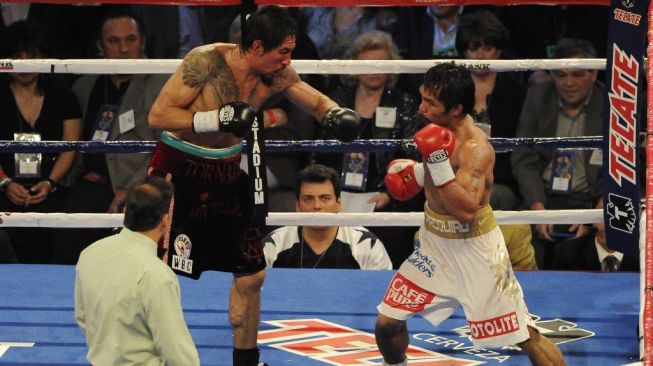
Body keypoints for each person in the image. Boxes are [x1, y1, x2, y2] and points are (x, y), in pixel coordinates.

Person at [146, 6, 361, 366]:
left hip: (228, 171)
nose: (288, 60)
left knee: (252, 273)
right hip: (180, 169)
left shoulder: (277, 73)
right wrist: (214, 118)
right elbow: (158, 116)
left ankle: (245, 360)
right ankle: (146, 354)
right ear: (257, 46)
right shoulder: (206, 61)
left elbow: (313, 99)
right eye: (283, 52)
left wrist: (335, 114)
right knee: (157, 268)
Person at [375, 63, 565, 365]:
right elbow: (438, 181)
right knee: (387, 323)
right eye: (422, 98)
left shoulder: (476, 149)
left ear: (456, 108)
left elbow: (464, 209)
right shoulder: (437, 131)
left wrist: (434, 163)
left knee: (523, 334)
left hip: (476, 251)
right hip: (435, 247)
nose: (421, 107)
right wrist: (415, 172)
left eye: (431, 103)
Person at [54, 9, 169, 264]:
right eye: (114, 41)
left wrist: (134, 188)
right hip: (90, 183)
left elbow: (168, 147)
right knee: (63, 226)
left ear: (143, 42)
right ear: (100, 45)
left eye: (131, 39)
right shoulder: (85, 85)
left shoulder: (162, 82)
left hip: (140, 185)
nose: (124, 49)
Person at [75, 175, 200, 366]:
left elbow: (83, 317)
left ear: (126, 212)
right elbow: (176, 351)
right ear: (166, 221)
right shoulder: (156, 275)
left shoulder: (89, 254)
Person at [511, 38, 603, 269]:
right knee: (526, 249)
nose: (569, 83)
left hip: (589, 200)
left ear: (594, 74)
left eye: (578, 74)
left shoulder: (610, 103)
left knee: (585, 253)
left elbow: (618, 164)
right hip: (544, 197)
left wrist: (597, 213)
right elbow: (523, 158)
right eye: (560, 75)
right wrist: (537, 207)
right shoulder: (537, 97)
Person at [0, 20, 82, 263]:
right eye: (18, 56)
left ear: (43, 57)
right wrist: (4, 182)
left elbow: (70, 145)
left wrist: (50, 182)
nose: (25, 63)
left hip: (51, 186)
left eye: (32, 56)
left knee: (64, 227)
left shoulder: (62, 94)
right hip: (4, 185)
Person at [455, 10, 526, 211]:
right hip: (457, 173)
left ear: (499, 50)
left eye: (488, 47)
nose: (480, 55)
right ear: (464, 51)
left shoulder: (516, 92)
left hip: (500, 178)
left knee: (485, 197)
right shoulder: (452, 91)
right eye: (473, 48)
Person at [263, 164, 392, 269]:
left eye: (325, 198)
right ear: (298, 206)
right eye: (308, 199)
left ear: (339, 203)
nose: (317, 206)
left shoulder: (366, 244)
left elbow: (382, 296)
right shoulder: (274, 244)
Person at [552, 197, 639, 271]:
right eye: (601, 214)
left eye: (617, 216)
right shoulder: (568, 253)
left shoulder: (646, 255)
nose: (607, 223)